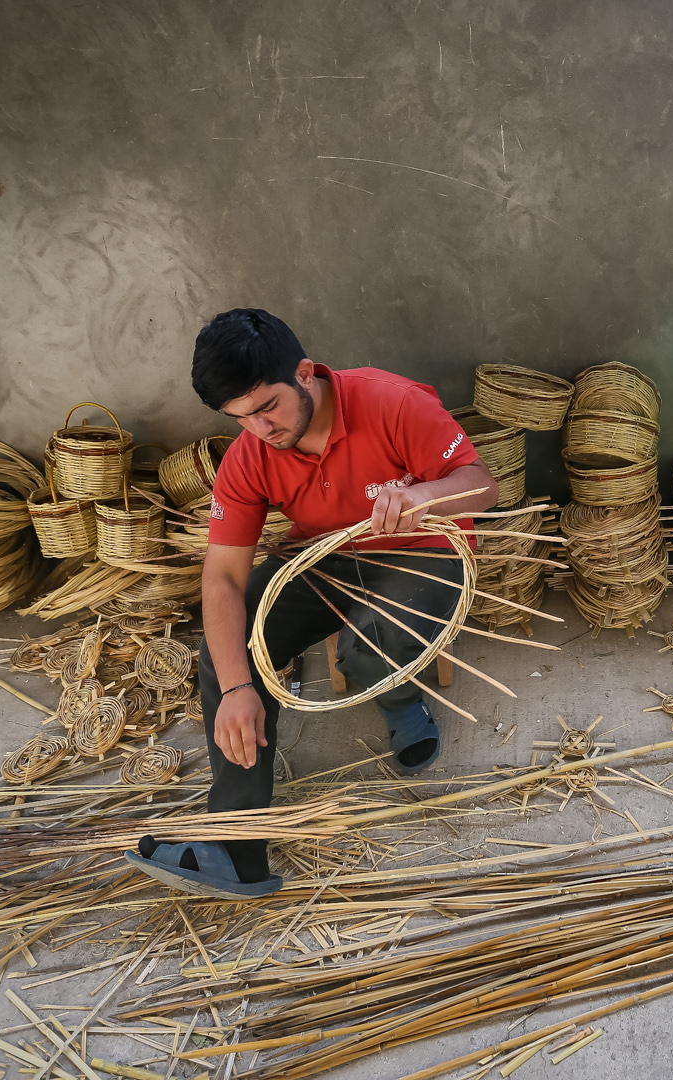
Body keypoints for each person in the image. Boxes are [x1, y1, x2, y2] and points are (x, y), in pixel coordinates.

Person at [125, 309, 498, 898]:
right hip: (324, 556)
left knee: (369, 642)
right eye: (240, 418)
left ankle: (401, 704)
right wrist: (239, 688)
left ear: (303, 374)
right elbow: (221, 577)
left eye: (268, 406)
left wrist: (422, 496)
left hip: (423, 550)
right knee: (230, 645)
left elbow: (482, 483)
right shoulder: (250, 455)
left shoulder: (391, 403)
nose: (261, 429)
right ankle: (235, 842)